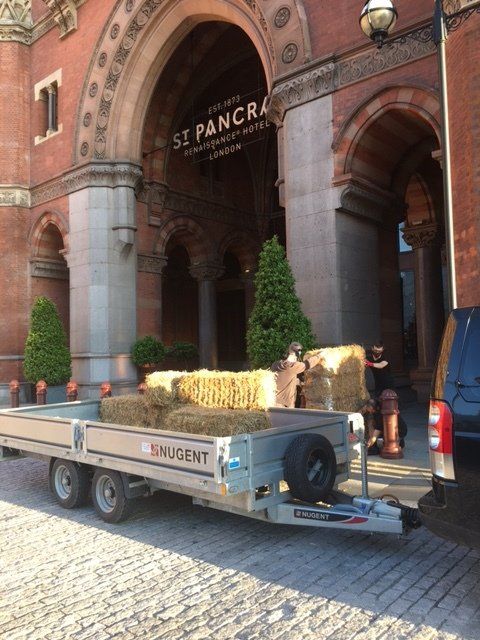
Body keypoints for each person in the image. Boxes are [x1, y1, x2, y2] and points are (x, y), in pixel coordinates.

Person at [364, 341, 407, 453]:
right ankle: (383, 441)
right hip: (379, 388)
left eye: (379, 350)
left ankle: (398, 439)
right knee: (378, 415)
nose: (377, 352)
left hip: (389, 388)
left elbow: (381, 365)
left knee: (390, 411)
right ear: (372, 348)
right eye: (375, 350)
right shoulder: (370, 357)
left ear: (383, 350)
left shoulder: (385, 358)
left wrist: (369, 364)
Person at [271, 342, 323, 408]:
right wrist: (320, 356)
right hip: (284, 406)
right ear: (296, 354)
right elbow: (307, 364)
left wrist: (298, 381)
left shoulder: (275, 364)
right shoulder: (292, 366)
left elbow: (284, 378)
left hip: (273, 402)